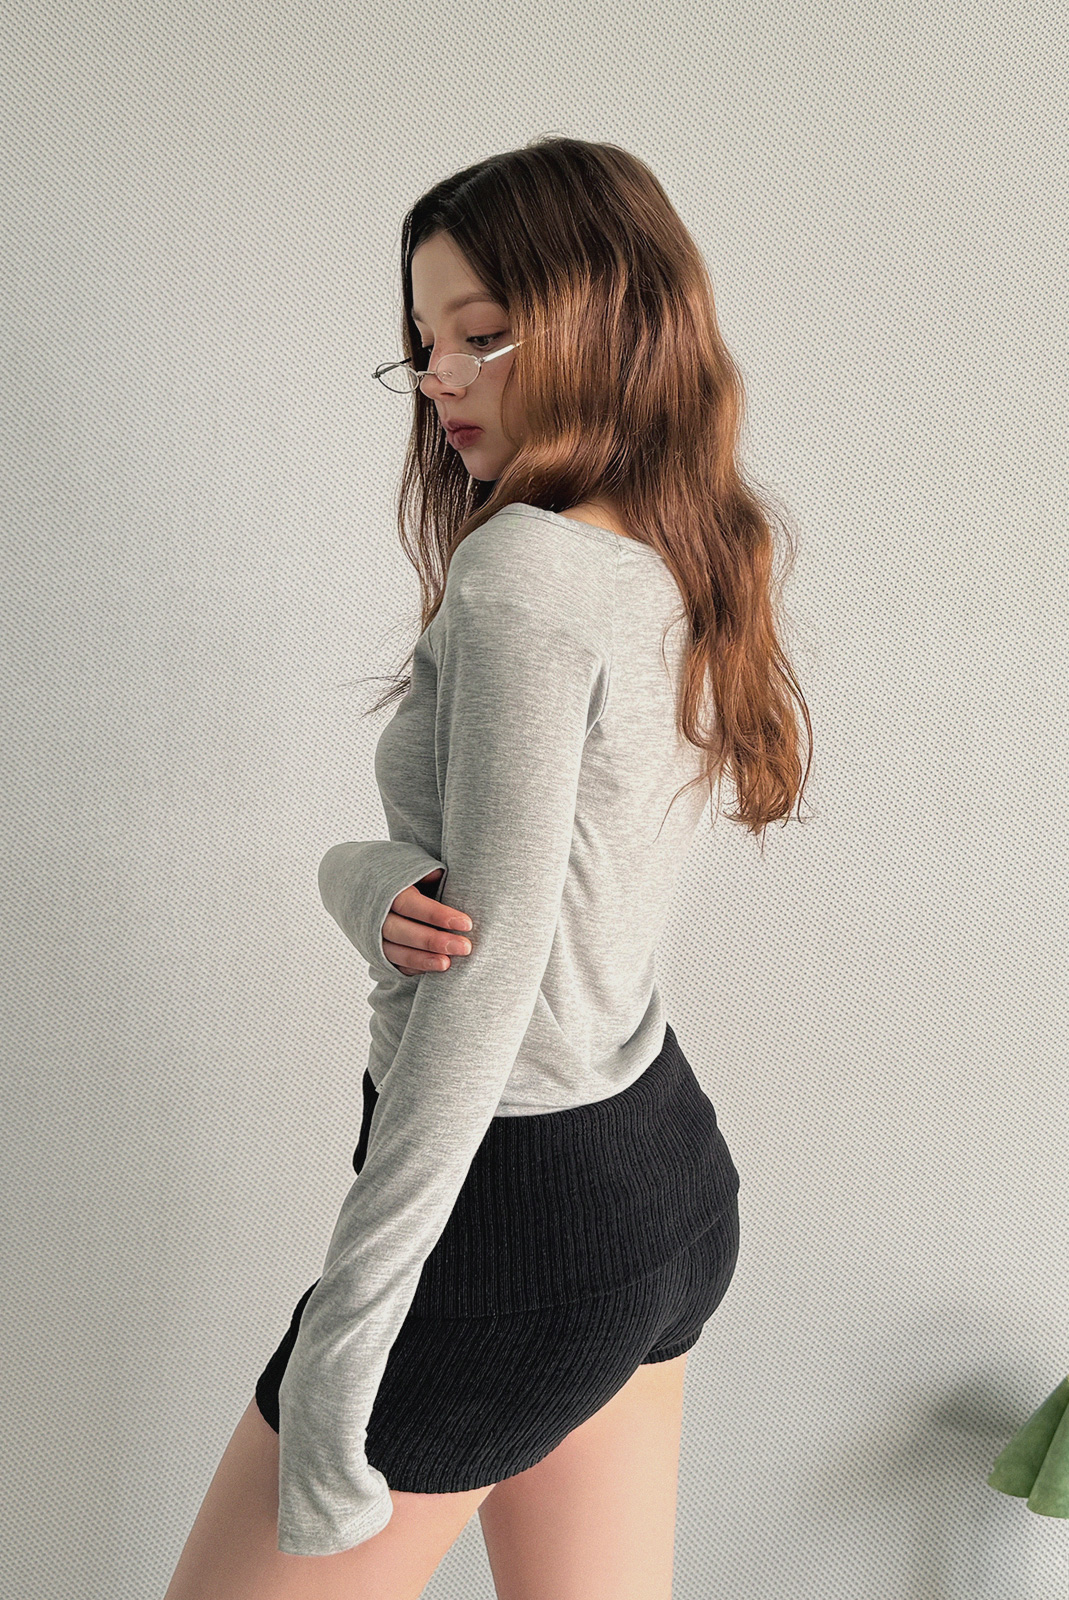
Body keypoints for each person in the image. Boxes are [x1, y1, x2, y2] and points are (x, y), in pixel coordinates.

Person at [163, 134, 811, 1600]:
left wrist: (345, 1342)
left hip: (507, 1213)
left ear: (605, 320)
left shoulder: (522, 570)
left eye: (484, 334)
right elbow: (535, 897)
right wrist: (360, 876)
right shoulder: (682, 540)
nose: (440, 378)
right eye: (423, 343)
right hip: (657, 1176)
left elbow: (490, 976)